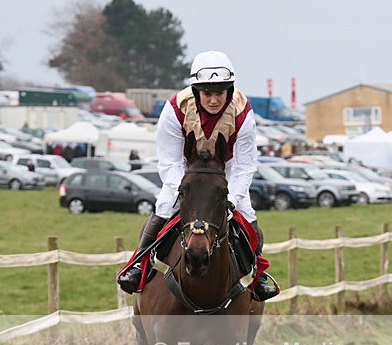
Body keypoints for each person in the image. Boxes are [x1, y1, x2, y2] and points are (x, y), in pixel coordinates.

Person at [117, 50, 277, 300]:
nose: (213, 100)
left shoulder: (244, 112)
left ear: (229, 91)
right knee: (162, 210)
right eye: (207, 93)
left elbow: (245, 166)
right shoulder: (174, 109)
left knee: (249, 218)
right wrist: (186, 192)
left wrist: (231, 199)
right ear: (196, 92)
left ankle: (257, 277)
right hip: (184, 170)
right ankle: (138, 265)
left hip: (228, 171)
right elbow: (169, 161)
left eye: (219, 93)